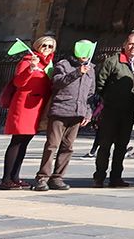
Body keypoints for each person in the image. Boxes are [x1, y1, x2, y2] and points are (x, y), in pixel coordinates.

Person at [33, 39, 96, 191]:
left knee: (68, 147)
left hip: (77, 113)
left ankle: (58, 177)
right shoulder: (63, 64)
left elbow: (91, 93)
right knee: (52, 145)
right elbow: (57, 83)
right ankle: (42, 177)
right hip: (60, 110)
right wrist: (76, 73)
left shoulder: (91, 69)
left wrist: (88, 112)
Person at [94, 33, 134, 188]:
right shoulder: (113, 61)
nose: (133, 47)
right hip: (111, 110)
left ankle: (116, 177)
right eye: (131, 44)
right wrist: (109, 98)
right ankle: (99, 176)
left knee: (122, 146)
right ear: (125, 45)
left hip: (129, 110)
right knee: (105, 145)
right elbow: (101, 83)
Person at [1, 36, 55, 190]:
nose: (47, 48)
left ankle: (15, 177)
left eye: (50, 46)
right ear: (37, 46)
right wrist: (31, 69)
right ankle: (6, 179)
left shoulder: (49, 64)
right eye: (44, 45)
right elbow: (19, 82)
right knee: (17, 141)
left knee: (24, 143)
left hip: (37, 107)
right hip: (24, 106)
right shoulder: (28, 60)